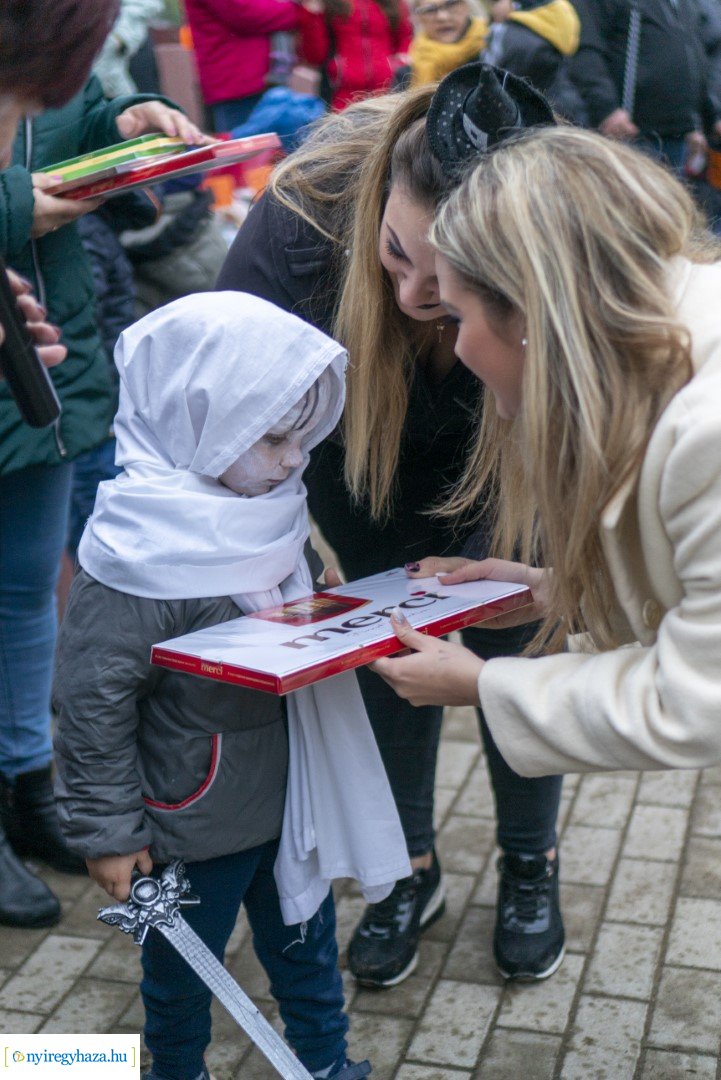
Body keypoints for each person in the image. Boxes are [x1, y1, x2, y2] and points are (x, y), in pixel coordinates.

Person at [218, 63, 567, 985]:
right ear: (376, 202)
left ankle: (531, 861)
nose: (416, 295)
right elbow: (218, 411)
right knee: (388, 660)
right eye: (395, 252)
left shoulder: (557, 222)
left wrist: (572, 563)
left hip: (506, 462)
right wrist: (276, 562)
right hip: (360, 468)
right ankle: (405, 869)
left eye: (448, 273)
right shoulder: (302, 216)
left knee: (517, 651)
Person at [52, 291, 413, 1080]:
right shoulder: (134, 554)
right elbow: (91, 707)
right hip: (191, 829)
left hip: (291, 801)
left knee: (307, 954)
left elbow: (306, 625)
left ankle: (325, 1064)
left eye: (302, 436)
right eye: (273, 437)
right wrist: (110, 834)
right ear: (196, 420)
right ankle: (174, 1069)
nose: (293, 460)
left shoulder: (270, 512)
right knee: (182, 978)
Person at [370, 121, 721, 789]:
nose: (457, 345)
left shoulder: (708, 433)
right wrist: (558, 591)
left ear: (530, 316)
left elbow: (698, 700)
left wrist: (486, 683)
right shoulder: (677, 334)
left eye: (455, 313)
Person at [0, 67, 208, 930]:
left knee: (27, 597)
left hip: (47, 369)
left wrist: (132, 119)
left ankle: (28, 786)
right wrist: (14, 202)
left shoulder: (49, 43)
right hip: (28, 351)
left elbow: (88, 117)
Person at [569, 0, 721, 173]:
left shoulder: (686, 5)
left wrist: (704, 120)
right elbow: (586, 50)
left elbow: (694, 57)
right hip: (629, 134)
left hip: (677, 136)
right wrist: (606, 110)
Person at [183, 0, 300, 131]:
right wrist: (297, 10)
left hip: (253, 80)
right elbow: (246, 13)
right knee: (246, 147)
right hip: (238, 86)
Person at [296, 0, 413, 110]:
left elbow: (405, 35)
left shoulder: (391, 4)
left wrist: (398, 63)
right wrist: (311, 15)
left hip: (386, 91)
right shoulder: (330, 4)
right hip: (342, 94)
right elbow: (316, 55)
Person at [396, 0, 487, 89]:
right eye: (430, 10)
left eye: (451, 4)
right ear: (418, 17)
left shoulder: (491, 54)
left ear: (467, 6)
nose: (442, 17)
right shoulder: (407, 75)